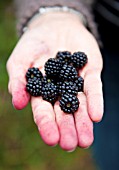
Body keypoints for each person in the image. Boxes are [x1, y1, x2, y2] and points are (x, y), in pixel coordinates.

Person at [6, 0, 119, 169]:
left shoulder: (64, 79)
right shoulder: (63, 78)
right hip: (110, 39)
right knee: (110, 131)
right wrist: (55, 14)